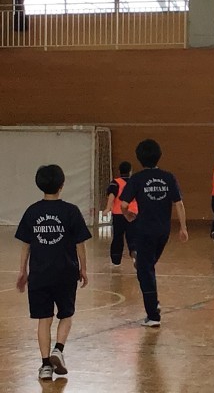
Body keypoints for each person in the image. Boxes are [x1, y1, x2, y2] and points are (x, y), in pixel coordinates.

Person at [15, 165, 91, 380]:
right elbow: (80, 244)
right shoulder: (71, 211)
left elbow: (26, 245)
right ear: (62, 184)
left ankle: (46, 365)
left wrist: (22, 271)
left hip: (39, 274)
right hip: (66, 273)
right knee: (66, 315)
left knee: (44, 319)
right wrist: (83, 269)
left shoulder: (32, 211)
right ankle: (59, 349)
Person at [120, 139, 188, 327]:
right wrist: (183, 227)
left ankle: (153, 315)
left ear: (139, 158)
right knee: (147, 266)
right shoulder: (168, 177)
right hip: (163, 231)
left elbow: (124, 204)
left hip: (144, 230)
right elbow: (179, 203)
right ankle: (153, 302)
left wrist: (127, 215)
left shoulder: (137, 179)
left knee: (144, 270)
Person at [103, 161, 138, 267]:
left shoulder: (115, 182)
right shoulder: (135, 182)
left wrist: (107, 208)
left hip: (118, 214)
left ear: (119, 171)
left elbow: (112, 195)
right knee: (132, 236)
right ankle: (134, 252)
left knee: (118, 237)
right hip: (133, 213)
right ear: (130, 171)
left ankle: (116, 260)